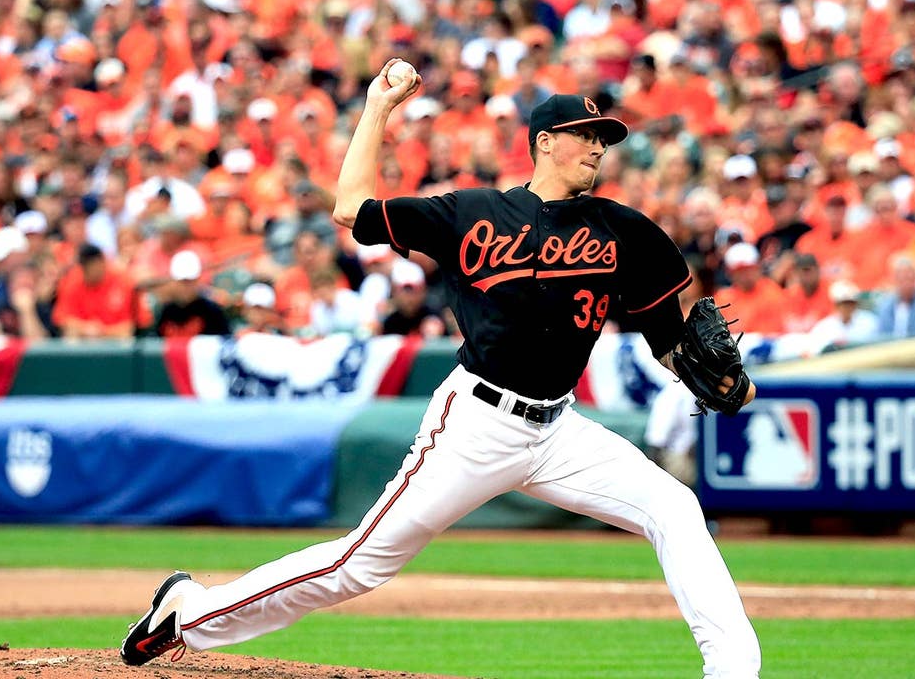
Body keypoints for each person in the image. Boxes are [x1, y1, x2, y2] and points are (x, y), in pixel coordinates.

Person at [121, 63, 762, 677]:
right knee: (358, 565)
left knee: (674, 507)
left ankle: (734, 673)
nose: (598, 146)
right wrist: (378, 107)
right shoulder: (472, 213)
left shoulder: (625, 232)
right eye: (584, 134)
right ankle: (189, 613)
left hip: (560, 432)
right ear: (544, 142)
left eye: (604, 138)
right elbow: (352, 208)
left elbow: (669, 342)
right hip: (475, 424)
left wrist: (723, 381)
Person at [155, 251, 230, 338]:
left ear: (197, 279)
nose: (186, 286)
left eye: (190, 281)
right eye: (183, 281)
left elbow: (225, 340)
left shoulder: (211, 311)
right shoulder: (166, 311)